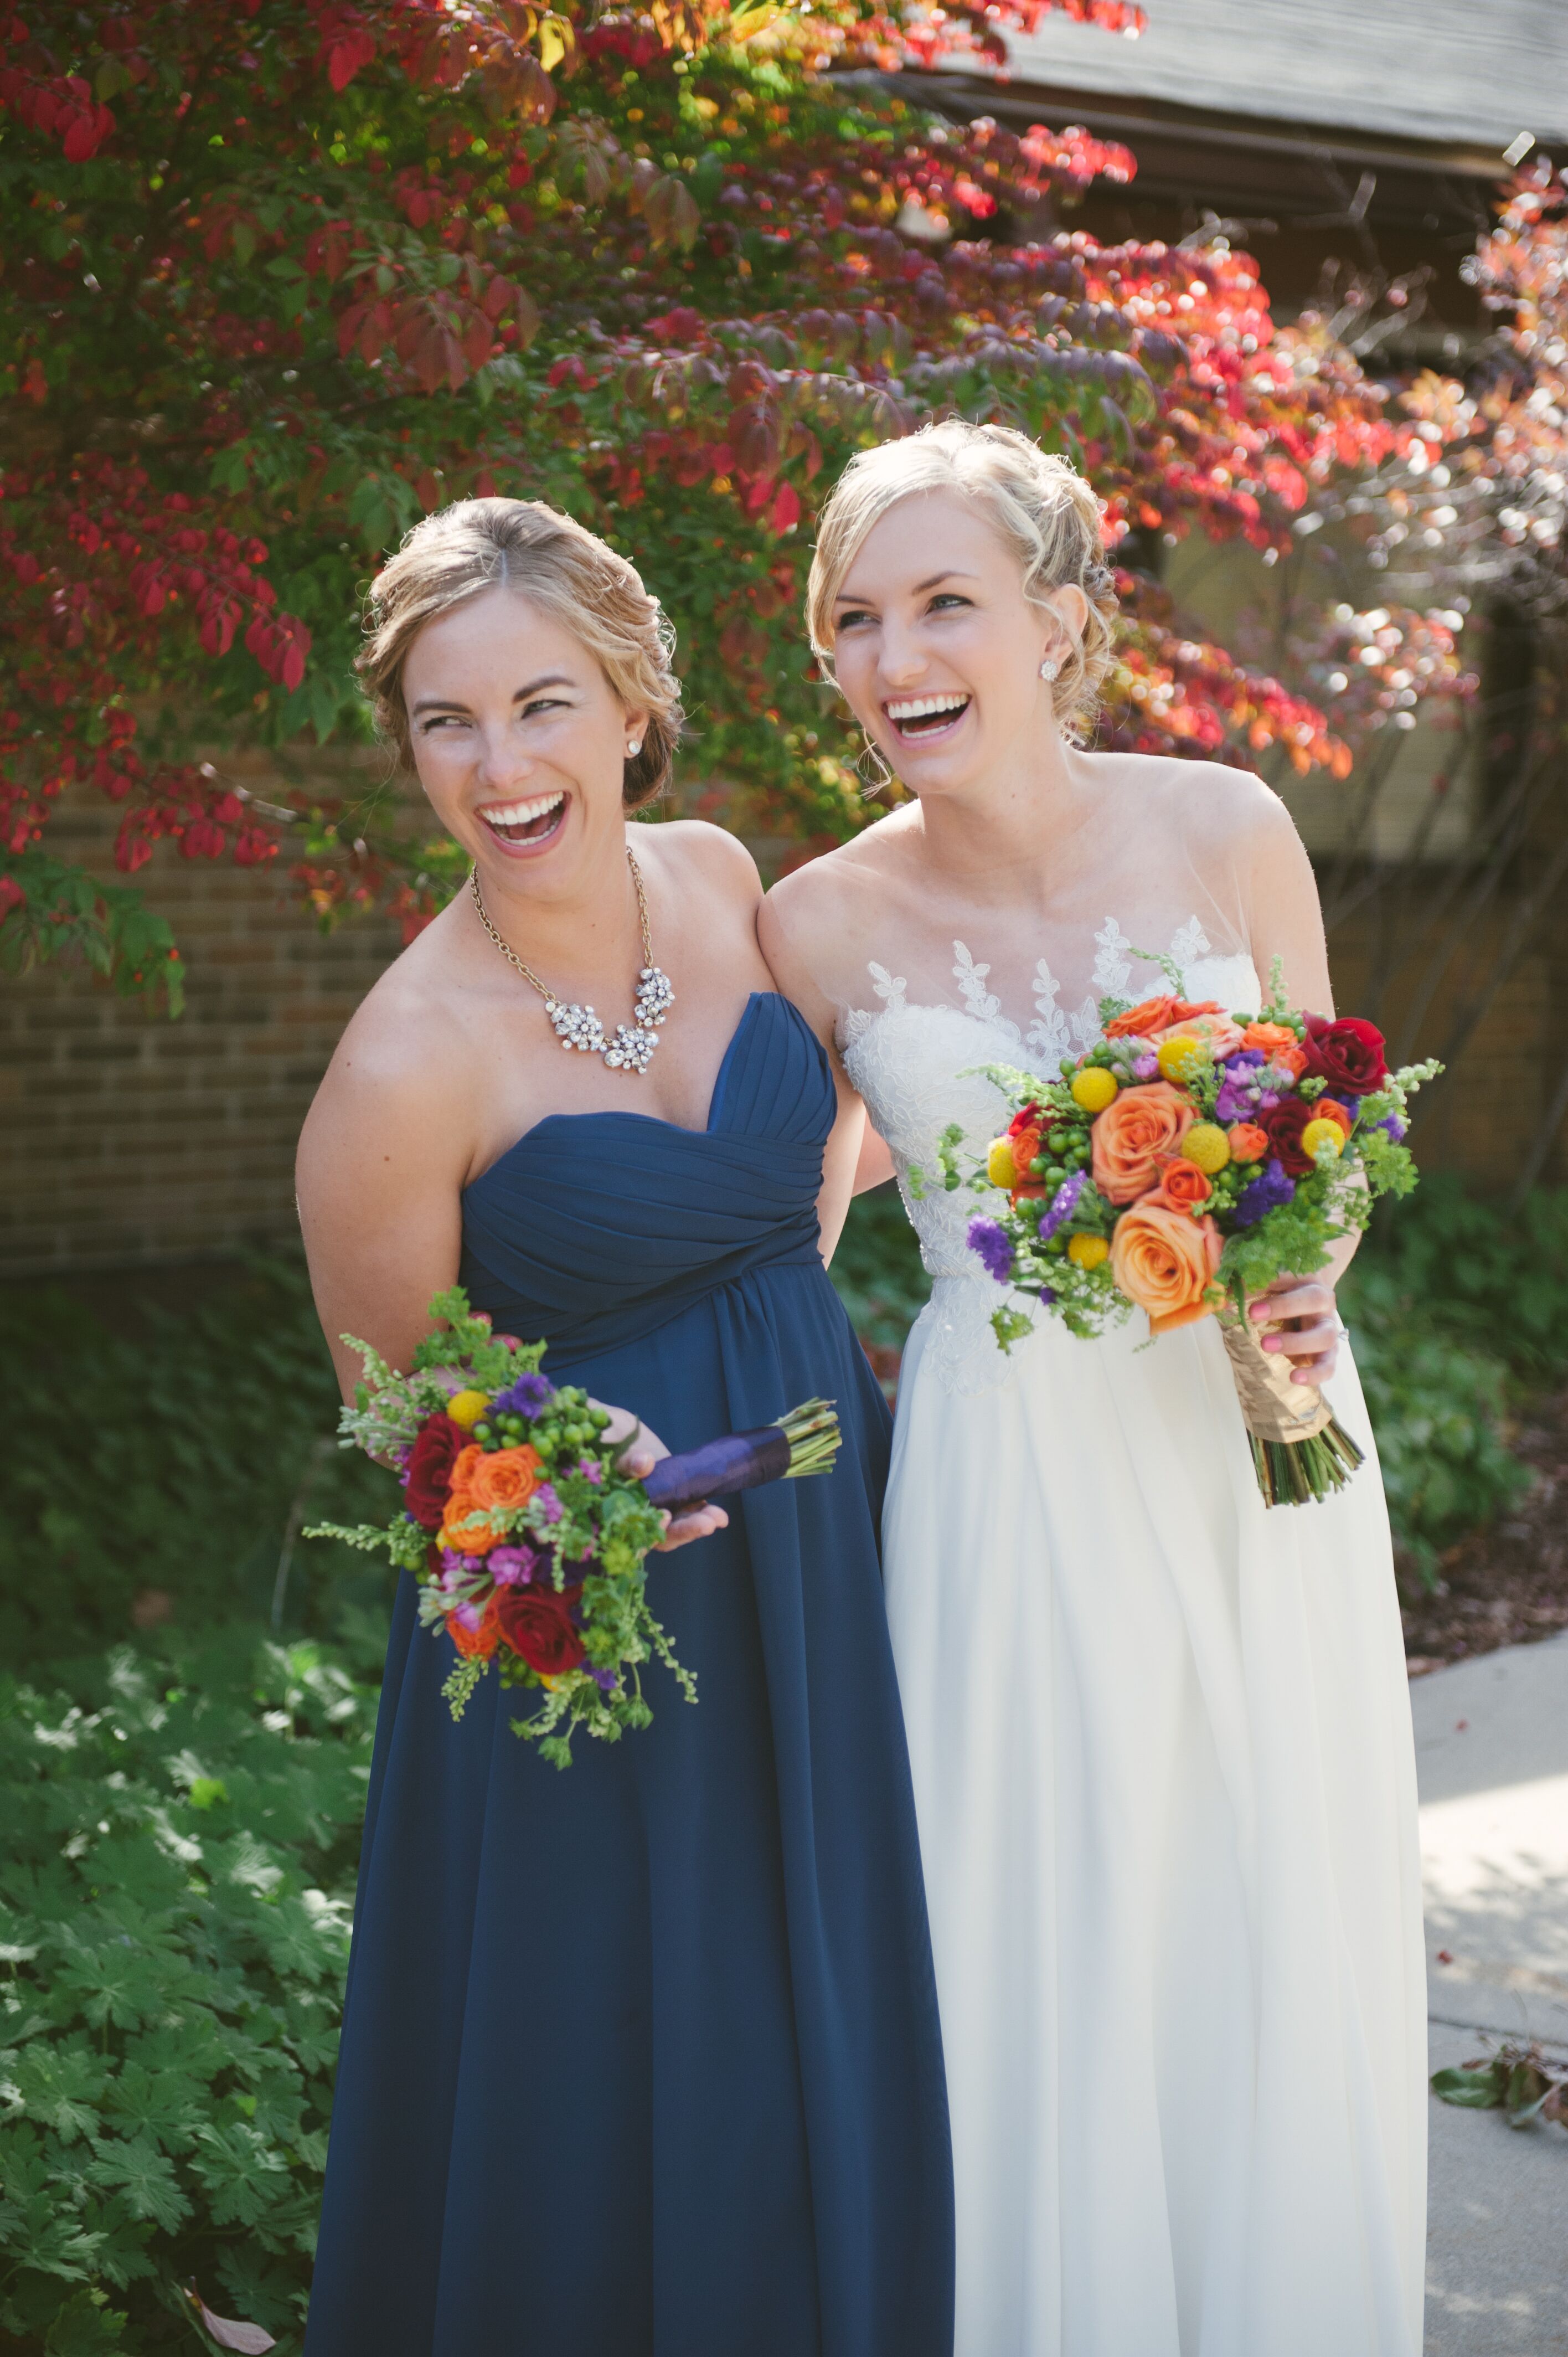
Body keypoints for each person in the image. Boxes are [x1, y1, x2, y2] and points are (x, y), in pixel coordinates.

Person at [760, 421, 1426, 2357]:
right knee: (1032, 1928)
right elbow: (779, 1246)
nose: (896, 660)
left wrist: (1309, 1282)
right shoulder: (812, 926)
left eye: (945, 603)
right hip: (1009, 1495)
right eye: (855, 622)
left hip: (1256, 1449)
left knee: (1258, 1908)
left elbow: (1338, 1140)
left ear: (1058, 624)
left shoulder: (1227, 825)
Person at [296, 497, 952, 2357]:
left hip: (823, 1522)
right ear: (408, 745)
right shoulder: (405, 1063)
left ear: (632, 700)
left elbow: (819, 1163)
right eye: (446, 723)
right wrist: (570, 1489)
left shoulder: (728, 872)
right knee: (635, 2041)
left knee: (828, 1967)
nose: (500, 765)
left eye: (541, 703)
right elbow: (401, 1428)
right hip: (610, 1614)